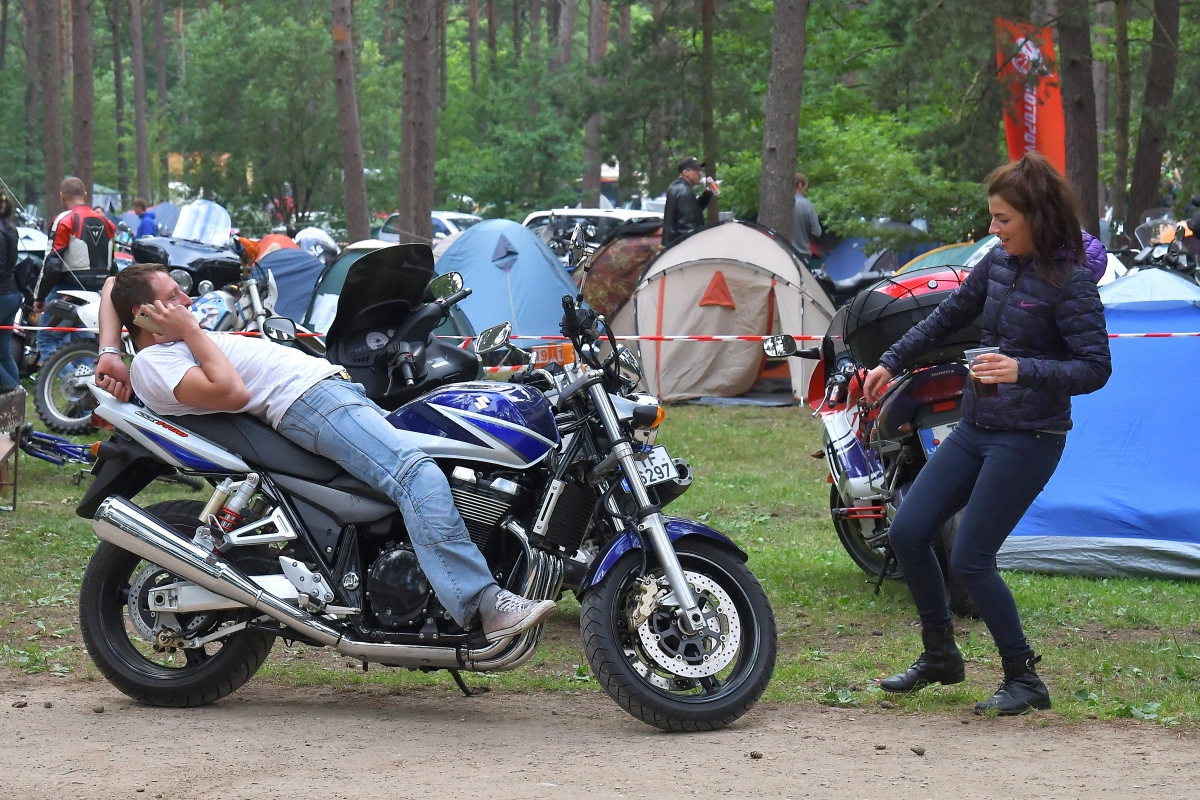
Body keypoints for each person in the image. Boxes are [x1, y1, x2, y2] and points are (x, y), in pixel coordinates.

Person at [94, 263, 557, 642]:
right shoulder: (154, 363)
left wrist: (109, 351)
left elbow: (114, 282)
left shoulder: (170, 341)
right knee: (417, 475)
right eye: (173, 296)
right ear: (145, 314)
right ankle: (484, 604)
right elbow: (232, 393)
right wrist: (190, 331)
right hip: (309, 403)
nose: (188, 300)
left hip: (331, 393)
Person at [862, 152, 1111, 716]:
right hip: (977, 424)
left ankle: (1024, 678)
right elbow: (947, 317)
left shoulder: (1071, 283)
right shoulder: (998, 262)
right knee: (908, 532)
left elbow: (1096, 368)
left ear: (1037, 216)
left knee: (972, 556)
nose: (993, 229)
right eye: (992, 217)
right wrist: (890, 361)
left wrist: (1022, 369)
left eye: (1003, 219)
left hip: (1031, 437)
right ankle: (940, 657)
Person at [33, 177, 115, 361]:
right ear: (85, 195)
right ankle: (86, 378)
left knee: (46, 340)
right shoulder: (106, 222)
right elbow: (112, 262)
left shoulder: (64, 220)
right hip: (98, 292)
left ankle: (65, 376)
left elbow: (52, 263)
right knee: (83, 341)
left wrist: (39, 297)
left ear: (62, 197)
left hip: (67, 290)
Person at [662, 157, 717, 247]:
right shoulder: (686, 192)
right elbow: (687, 226)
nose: (700, 173)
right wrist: (694, 246)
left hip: (671, 245)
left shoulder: (675, 187)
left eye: (700, 170)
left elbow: (693, 211)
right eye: (696, 170)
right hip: (682, 247)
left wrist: (707, 194)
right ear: (686, 172)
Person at [0, 195, 24, 394]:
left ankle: (11, 387)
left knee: (4, 350)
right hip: (12, 294)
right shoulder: (9, 228)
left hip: (2, 294)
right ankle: (17, 396)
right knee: (3, 350)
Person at [791, 173, 821, 262]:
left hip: (782, 253)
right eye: (805, 188)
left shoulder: (780, 203)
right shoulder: (807, 205)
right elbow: (817, 232)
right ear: (800, 185)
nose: (805, 191)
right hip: (802, 254)